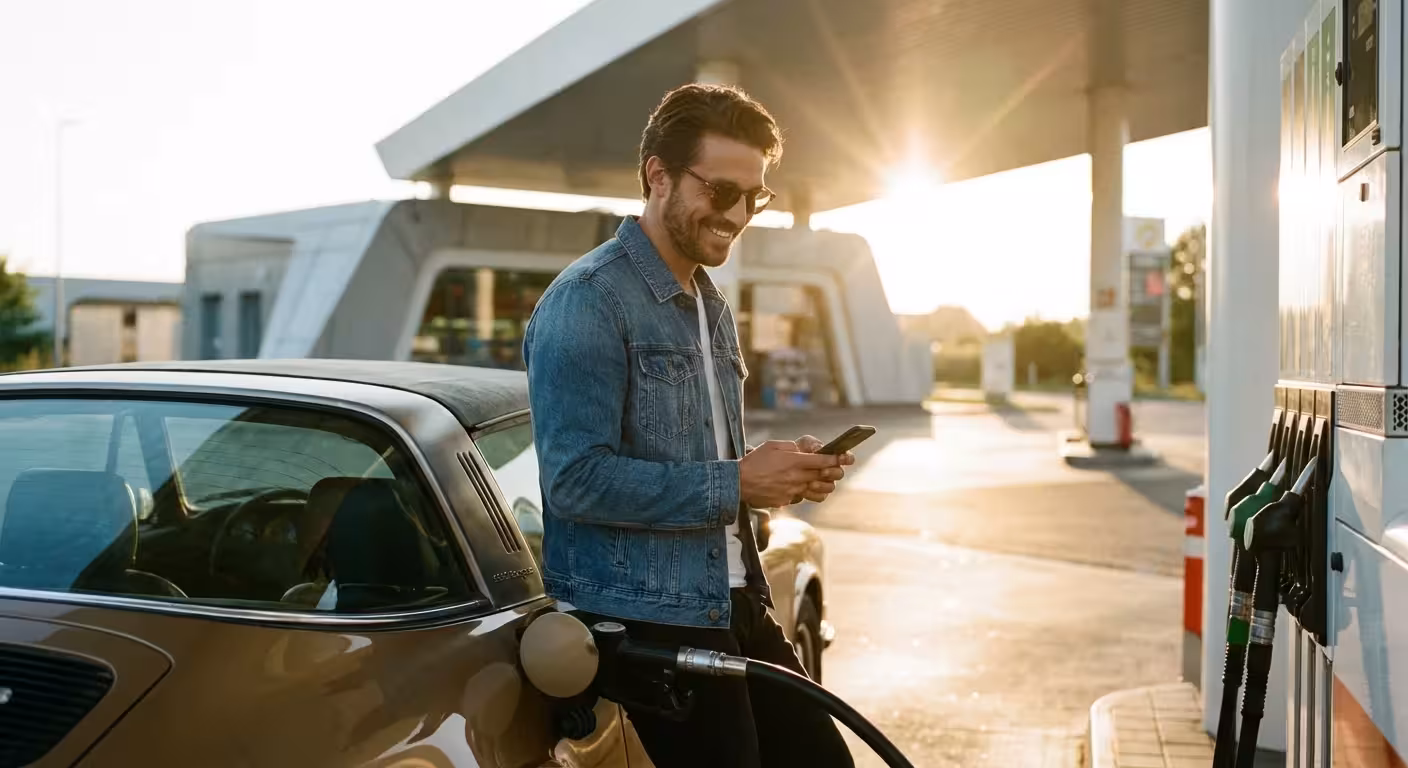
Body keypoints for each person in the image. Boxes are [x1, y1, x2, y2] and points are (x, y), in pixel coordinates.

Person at [522, 82, 857, 768]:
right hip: (650, 621)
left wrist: (781, 472)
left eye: (754, 197)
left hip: (734, 600)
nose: (738, 214)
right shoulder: (587, 302)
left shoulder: (709, 304)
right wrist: (735, 480)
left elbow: (702, 457)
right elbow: (574, 482)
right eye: (722, 192)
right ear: (657, 176)